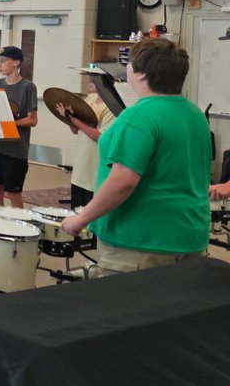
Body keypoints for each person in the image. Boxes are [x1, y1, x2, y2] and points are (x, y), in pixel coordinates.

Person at [61, 39, 209, 274]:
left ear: (141, 74)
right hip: (189, 234)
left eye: (128, 64)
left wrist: (81, 219)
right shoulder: (195, 114)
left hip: (142, 241)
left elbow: (123, 181)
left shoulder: (138, 116)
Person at [0, 46, 37, 209]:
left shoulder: (28, 87)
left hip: (15, 149)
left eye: (2, 61)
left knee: (13, 193)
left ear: (16, 62)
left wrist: (9, 123)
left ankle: (18, 227)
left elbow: (32, 120)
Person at [57, 78, 113, 209]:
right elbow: (76, 130)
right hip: (80, 170)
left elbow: (100, 136)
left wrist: (74, 120)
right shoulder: (90, 99)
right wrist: (69, 117)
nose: (89, 81)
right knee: (75, 212)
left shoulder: (111, 106)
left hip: (94, 170)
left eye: (94, 79)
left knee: (90, 217)